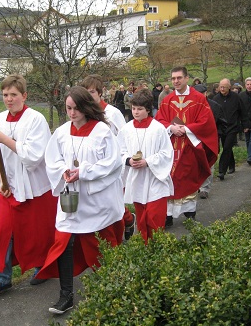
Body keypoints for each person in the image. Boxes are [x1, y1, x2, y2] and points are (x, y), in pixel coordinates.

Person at [36, 86, 124, 315]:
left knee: (99, 245)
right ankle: (66, 296)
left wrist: (83, 172)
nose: (72, 113)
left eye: (76, 109)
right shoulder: (62, 132)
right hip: (70, 200)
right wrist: (64, 172)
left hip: (95, 200)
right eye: (68, 109)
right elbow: (52, 160)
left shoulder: (102, 131)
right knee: (63, 243)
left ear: (86, 108)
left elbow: (112, 163)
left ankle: (113, 288)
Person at [0, 74, 57, 296]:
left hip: (33, 185)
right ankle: (2, 277)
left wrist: (5, 139)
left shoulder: (36, 119)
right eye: (5, 95)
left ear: (24, 96)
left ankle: (41, 267)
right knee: (1, 230)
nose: (9, 99)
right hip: (7, 186)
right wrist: (2, 177)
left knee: (35, 231)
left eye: (13, 95)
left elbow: (35, 156)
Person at [155, 66, 218, 227]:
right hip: (170, 148)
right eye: (173, 78)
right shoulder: (167, 100)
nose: (176, 81)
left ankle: (190, 213)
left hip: (190, 146)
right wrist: (171, 128)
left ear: (186, 78)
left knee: (188, 178)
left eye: (179, 78)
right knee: (169, 179)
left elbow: (206, 121)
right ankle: (167, 215)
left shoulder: (198, 98)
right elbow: (159, 120)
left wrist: (187, 129)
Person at [80, 74, 135, 241]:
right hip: (92, 164)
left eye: (92, 92)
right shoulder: (83, 114)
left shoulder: (112, 113)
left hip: (113, 163)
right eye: (86, 93)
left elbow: (125, 135)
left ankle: (126, 222)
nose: (89, 97)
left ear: (100, 92)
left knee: (113, 199)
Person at [118, 89, 174, 243]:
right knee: (142, 218)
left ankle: (157, 248)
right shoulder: (126, 129)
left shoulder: (158, 129)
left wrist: (147, 161)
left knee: (154, 217)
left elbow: (166, 153)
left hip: (155, 178)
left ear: (148, 110)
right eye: (134, 108)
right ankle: (145, 249)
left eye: (140, 109)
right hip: (137, 179)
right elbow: (119, 151)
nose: (136, 112)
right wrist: (129, 160)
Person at [212, 78, 244, 180]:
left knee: (226, 148)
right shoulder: (216, 99)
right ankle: (232, 165)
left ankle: (222, 171)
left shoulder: (236, 97)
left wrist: (244, 125)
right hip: (221, 128)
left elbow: (242, 111)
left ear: (229, 87)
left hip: (233, 126)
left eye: (224, 87)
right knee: (227, 147)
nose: (222, 89)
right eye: (220, 87)